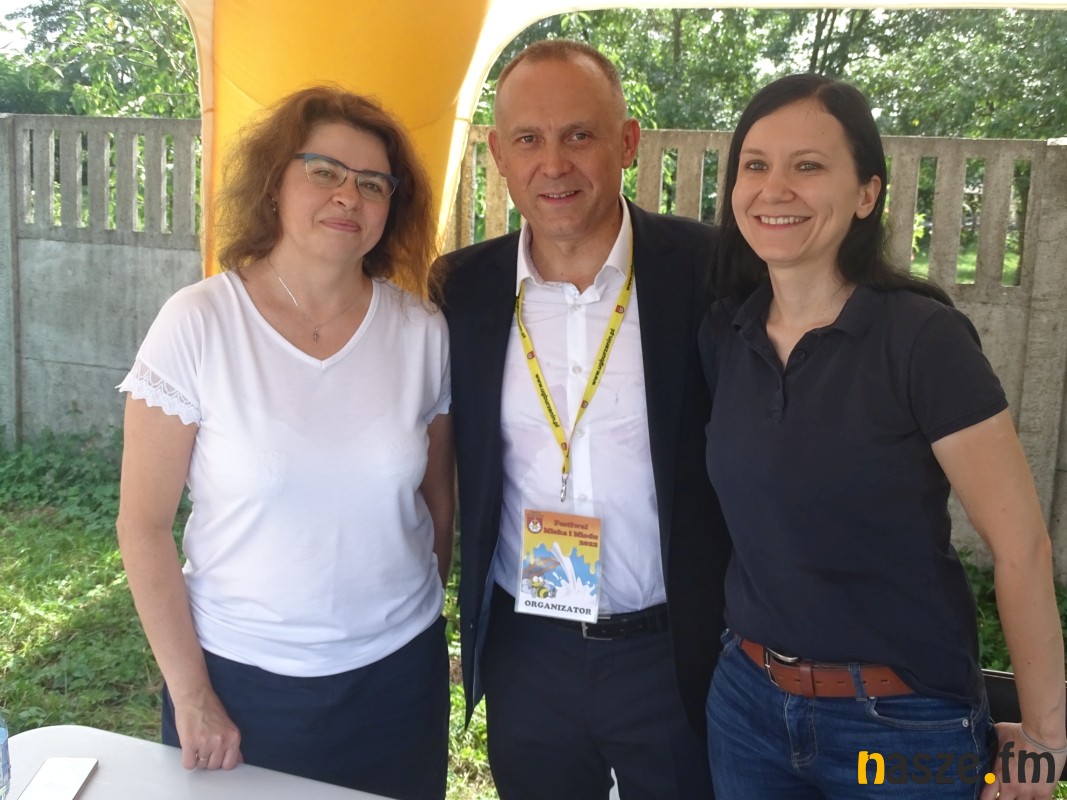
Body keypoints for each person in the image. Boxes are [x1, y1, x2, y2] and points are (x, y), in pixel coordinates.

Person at [701, 73, 1066, 800]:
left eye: (808, 165)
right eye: (755, 164)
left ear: (867, 193)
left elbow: (1022, 548)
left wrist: (1045, 740)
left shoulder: (922, 340)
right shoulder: (726, 333)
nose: (775, 188)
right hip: (746, 708)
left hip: (898, 725)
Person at [115, 86, 453, 800]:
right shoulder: (198, 323)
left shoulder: (422, 332)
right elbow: (142, 526)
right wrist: (193, 695)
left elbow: (438, 500)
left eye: (373, 183)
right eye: (324, 171)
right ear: (275, 183)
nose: (348, 196)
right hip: (240, 685)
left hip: (397, 682)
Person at [441, 40, 731, 800]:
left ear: (627, 142)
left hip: (673, 653)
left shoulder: (710, 272)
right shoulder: (462, 291)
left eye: (579, 134)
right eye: (528, 140)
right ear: (498, 155)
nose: (553, 164)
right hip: (528, 654)